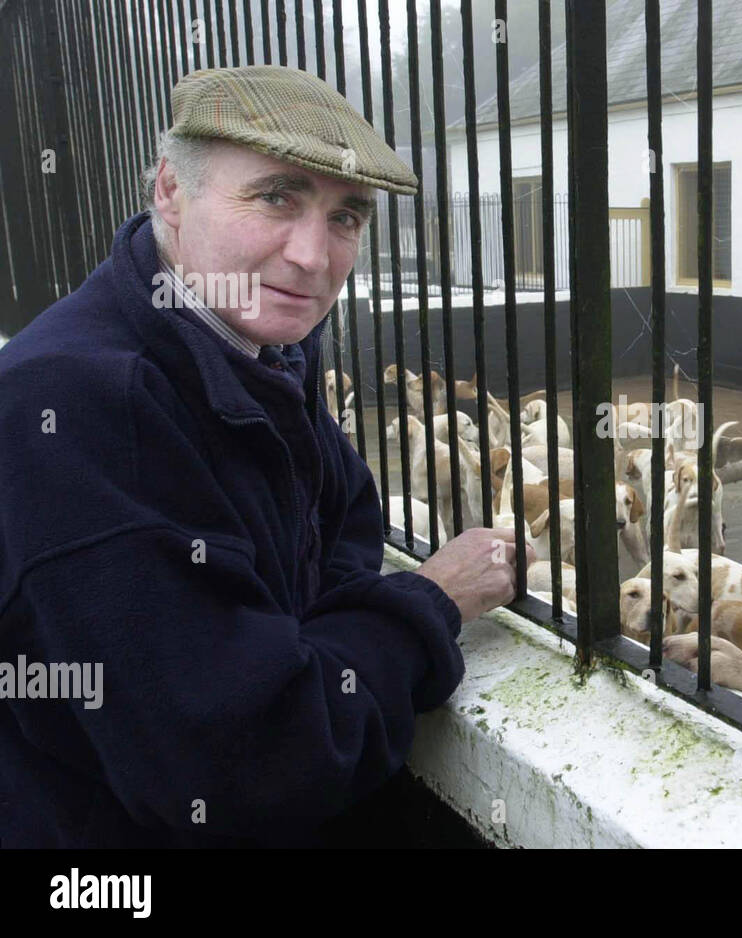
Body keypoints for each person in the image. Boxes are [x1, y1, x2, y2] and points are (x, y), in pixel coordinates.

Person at [0, 65, 528, 847]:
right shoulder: (84, 409)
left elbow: (344, 524)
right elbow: (240, 765)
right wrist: (432, 601)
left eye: (346, 216)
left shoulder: (250, 346)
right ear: (172, 192)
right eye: (276, 197)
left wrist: (309, 644)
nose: (314, 257)